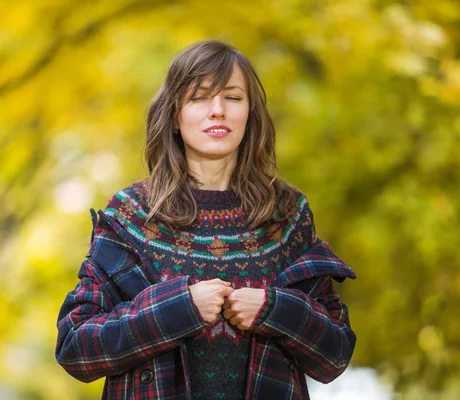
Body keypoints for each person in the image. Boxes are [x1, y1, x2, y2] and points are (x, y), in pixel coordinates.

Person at [54, 39, 356, 400]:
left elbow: (334, 354)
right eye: (199, 97)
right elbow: (76, 349)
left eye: (232, 97)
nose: (218, 110)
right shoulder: (131, 214)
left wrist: (275, 309)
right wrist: (178, 308)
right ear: (175, 115)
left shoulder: (287, 214)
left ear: (250, 113)